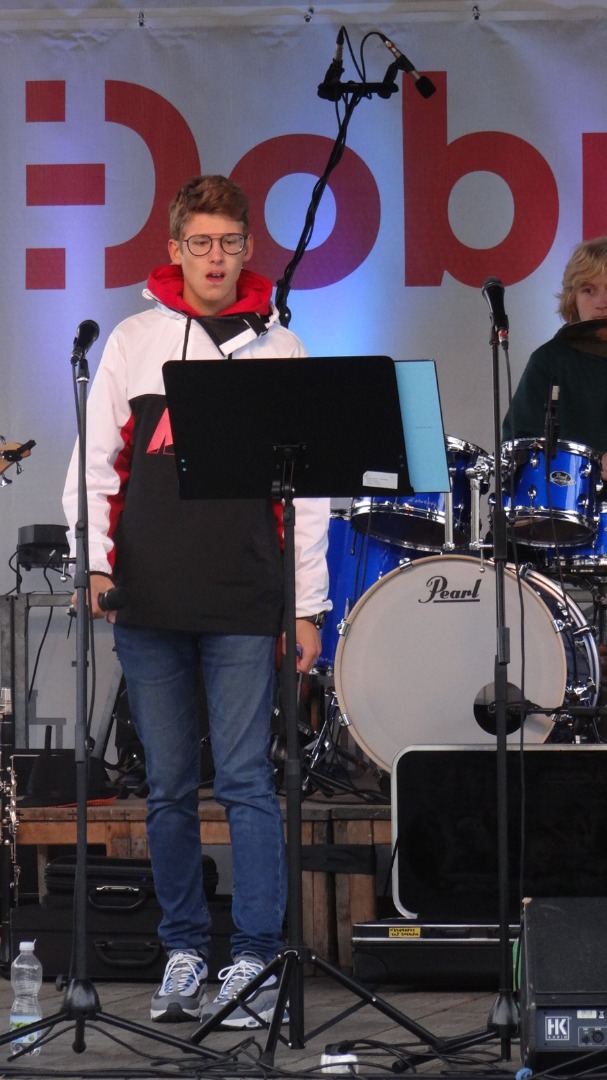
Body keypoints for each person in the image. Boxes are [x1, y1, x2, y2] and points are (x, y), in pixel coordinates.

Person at [62, 174, 331, 1028]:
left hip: (247, 595)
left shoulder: (281, 349)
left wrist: (306, 606)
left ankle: (253, 960)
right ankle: (183, 950)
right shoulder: (134, 340)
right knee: (169, 788)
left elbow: (309, 496)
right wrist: (95, 564)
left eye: (230, 243)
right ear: (175, 249)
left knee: (247, 783)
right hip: (148, 592)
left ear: (248, 249)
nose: (216, 258)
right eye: (200, 243)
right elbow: (94, 464)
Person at [503, 236, 607, 467]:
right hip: (571, 489)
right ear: (572, 298)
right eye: (589, 290)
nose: (601, 302)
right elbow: (516, 446)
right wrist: (593, 462)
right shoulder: (548, 361)